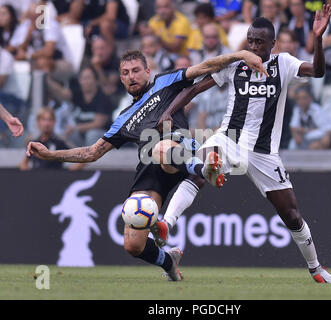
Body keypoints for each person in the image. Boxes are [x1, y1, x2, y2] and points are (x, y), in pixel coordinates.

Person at [26, 49, 266, 281]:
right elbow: (91, 152)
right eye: (126, 72)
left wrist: (241, 55)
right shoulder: (123, 118)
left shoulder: (165, 82)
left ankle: (203, 169)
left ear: (147, 71)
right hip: (152, 170)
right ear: (121, 78)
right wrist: (50, 154)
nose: (131, 76)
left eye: (136, 70)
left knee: (161, 147)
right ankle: (168, 262)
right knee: (133, 244)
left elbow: (206, 66)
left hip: (180, 151)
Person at [153, 6, 331, 284]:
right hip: (228, 138)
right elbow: (194, 88)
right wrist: (169, 111)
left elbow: (319, 71)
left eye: (259, 42)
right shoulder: (235, 64)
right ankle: (166, 225)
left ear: (272, 44)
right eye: (250, 40)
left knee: (291, 215)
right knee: (197, 170)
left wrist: (318, 38)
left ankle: (316, 268)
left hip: (264, 153)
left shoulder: (284, 63)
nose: (253, 45)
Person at [46, 66, 114, 146]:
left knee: (92, 134)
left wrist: (75, 128)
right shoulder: (78, 94)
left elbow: (98, 124)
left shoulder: (103, 98)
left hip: (102, 135)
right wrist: (47, 78)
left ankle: (93, 158)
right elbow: (61, 93)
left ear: (96, 80)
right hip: (81, 134)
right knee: (69, 134)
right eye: (83, 78)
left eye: (88, 78)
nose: (85, 81)